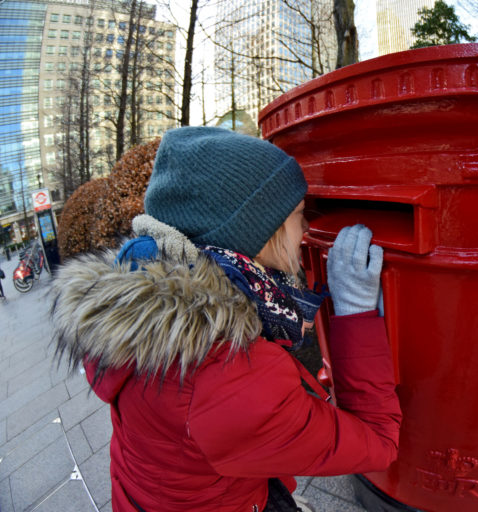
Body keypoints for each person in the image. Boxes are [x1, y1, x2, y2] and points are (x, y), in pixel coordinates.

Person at [51, 126, 402, 512]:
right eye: (299, 214)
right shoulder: (230, 374)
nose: (306, 230)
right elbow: (379, 442)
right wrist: (354, 313)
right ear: (256, 234)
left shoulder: (140, 301)